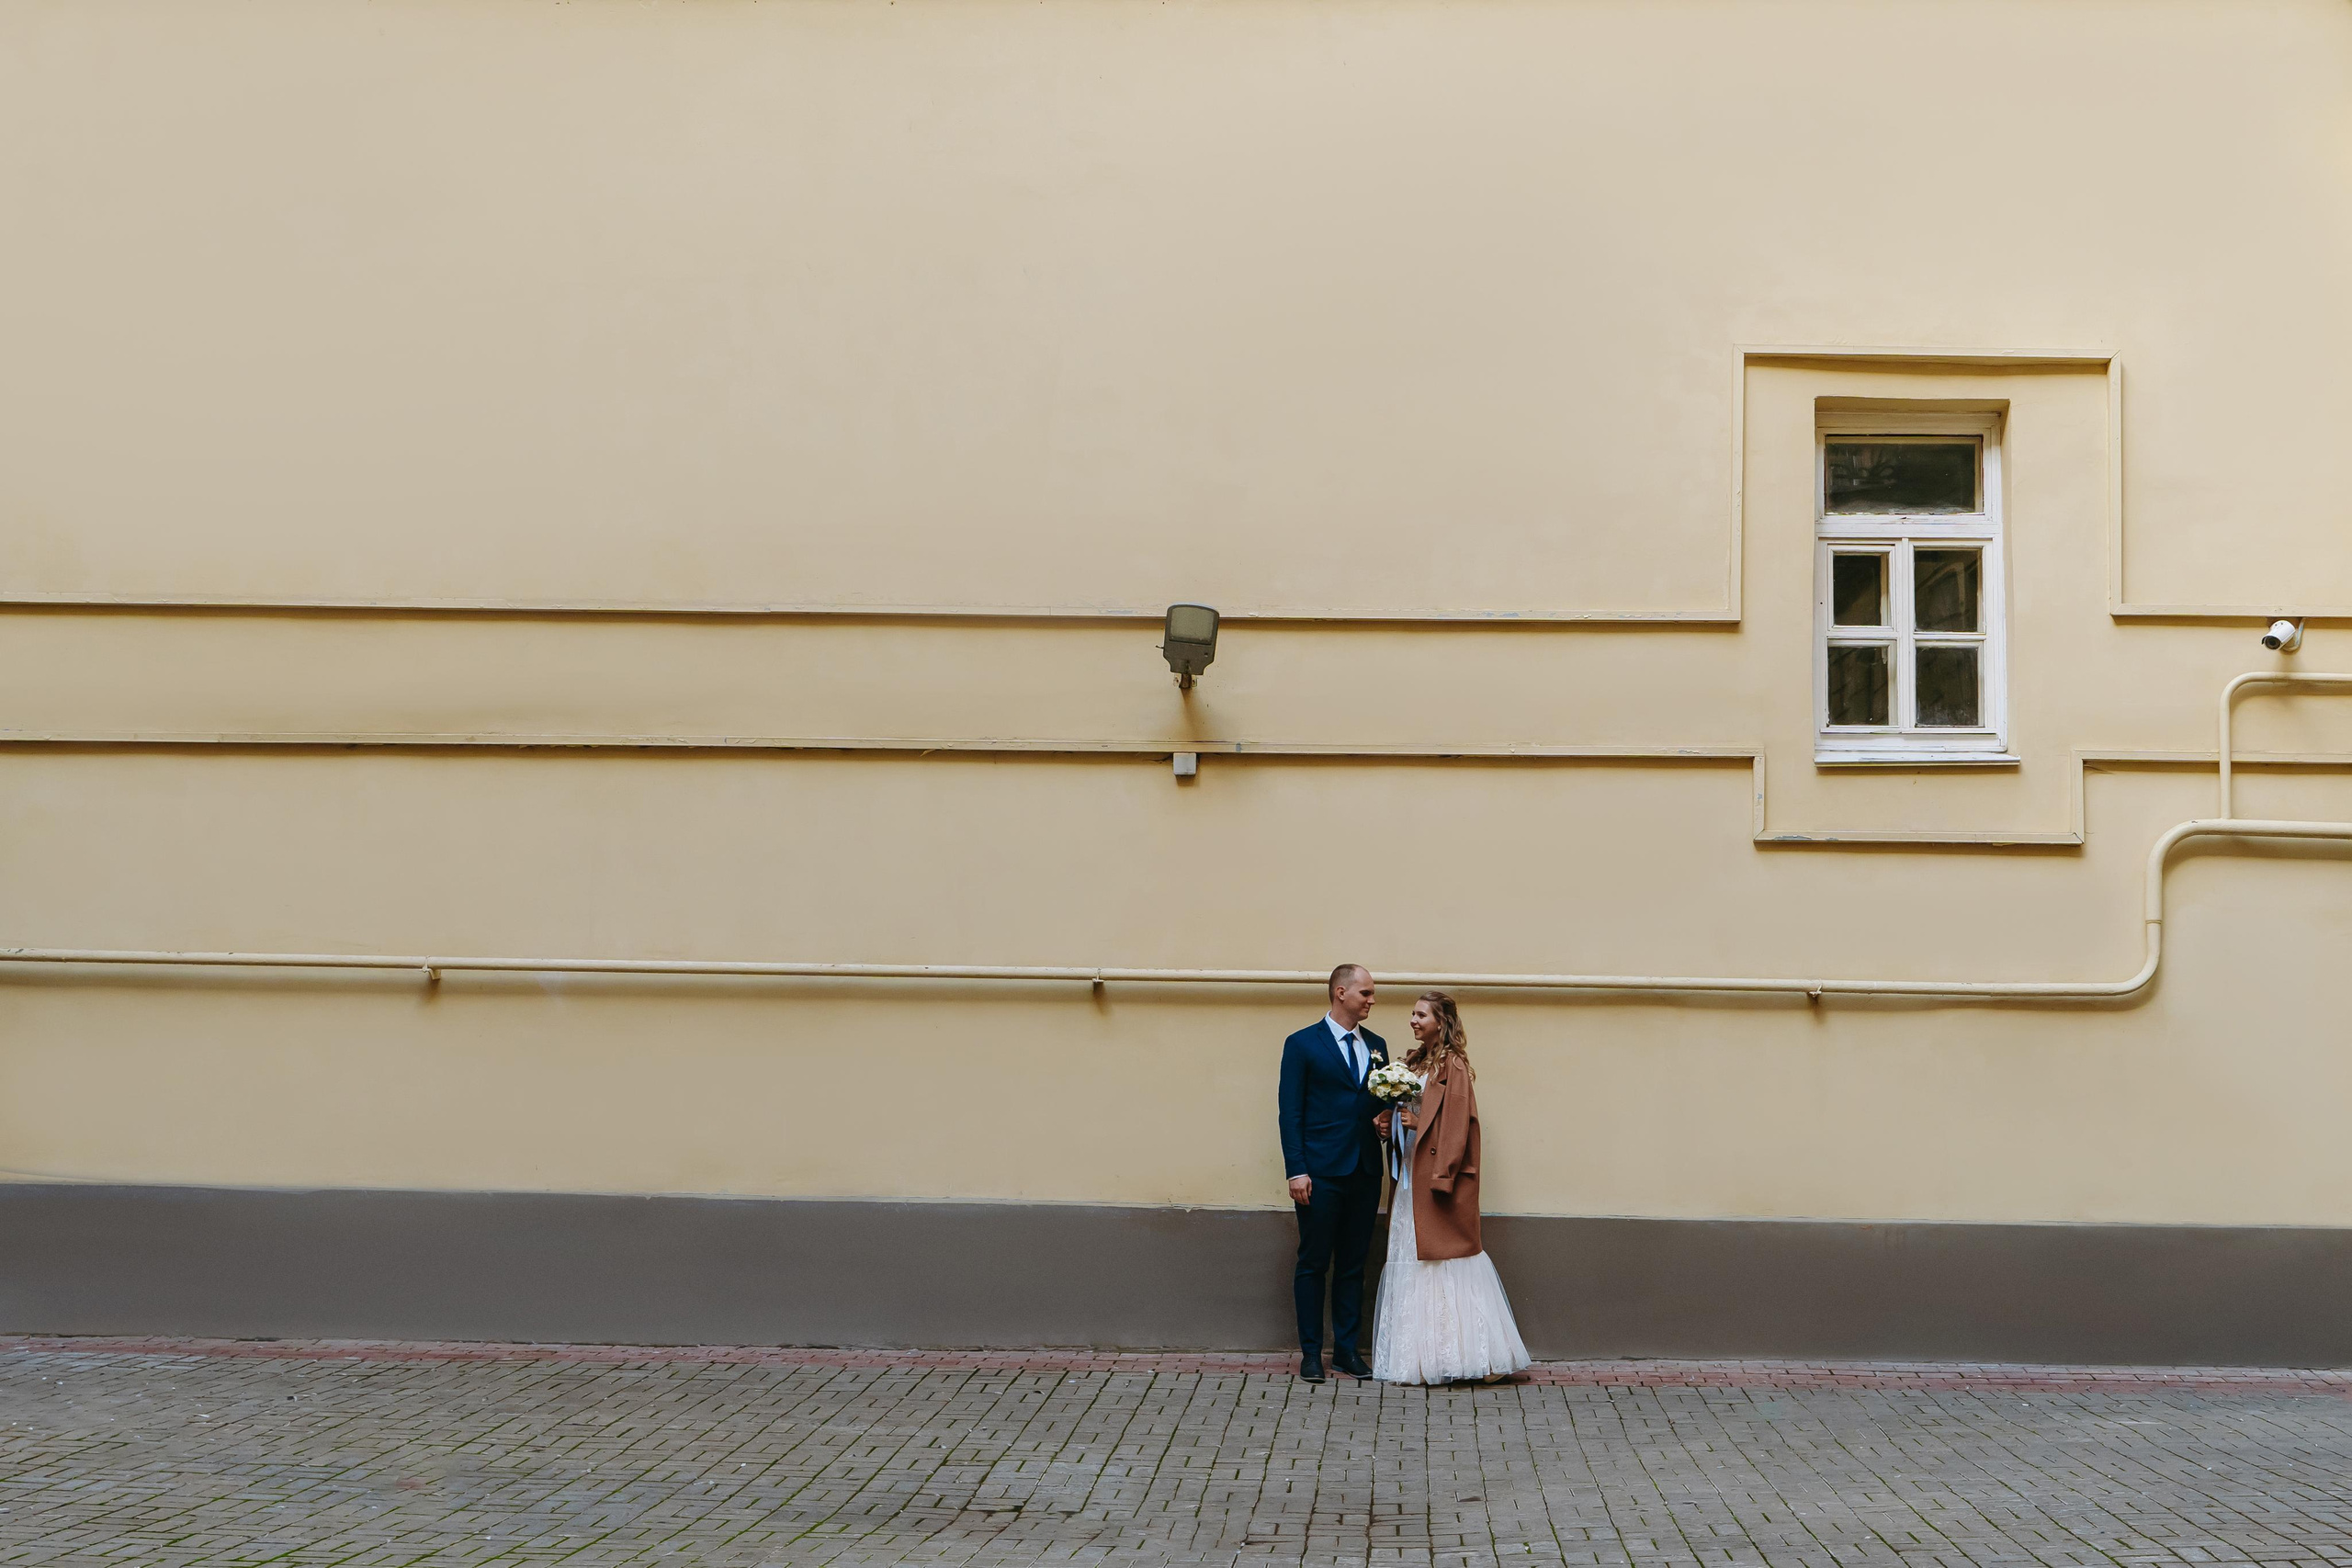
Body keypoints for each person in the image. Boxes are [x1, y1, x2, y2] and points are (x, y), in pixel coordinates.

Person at [1371, 990, 1530, 1385]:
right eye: (1412, 1013)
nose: (1413, 1020)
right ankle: (1422, 1359)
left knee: (1445, 1258)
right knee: (1413, 1255)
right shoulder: (1410, 1063)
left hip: (1436, 1176)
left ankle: (1473, 1356)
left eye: (1421, 1015)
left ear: (1441, 1022)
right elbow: (1409, 1113)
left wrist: (1416, 1126)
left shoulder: (1453, 1066)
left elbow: (1459, 1125)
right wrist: (1388, 1122)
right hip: (1409, 1178)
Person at [1276, 964, 1390, 1382]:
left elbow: (1379, 1102)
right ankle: (1311, 1353)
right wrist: (1297, 1170)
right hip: (1319, 1173)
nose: (1372, 1000)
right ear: (1340, 993)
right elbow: (1291, 1113)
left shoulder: (1377, 1046)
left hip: (1363, 1169)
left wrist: (1384, 1119)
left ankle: (1347, 1350)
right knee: (1313, 1261)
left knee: (1353, 1264)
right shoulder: (1303, 1044)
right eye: (1366, 993)